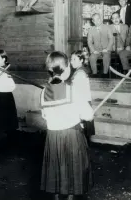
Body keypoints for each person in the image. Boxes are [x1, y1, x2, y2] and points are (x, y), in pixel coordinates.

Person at [40, 51, 93, 200]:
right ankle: (70, 197)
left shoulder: (43, 92)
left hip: (53, 137)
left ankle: (56, 197)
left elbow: (45, 116)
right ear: (67, 68)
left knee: (57, 169)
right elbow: (88, 115)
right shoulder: (72, 89)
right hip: (71, 136)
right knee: (73, 171)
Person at [70, 50, 95, 144]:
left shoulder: (80, 74)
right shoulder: (79, 71)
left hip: (81, 103)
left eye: (74, 59)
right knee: (83, 135)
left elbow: (77, 92)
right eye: (71, 59)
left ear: (81, 60)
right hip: (83, 102)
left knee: (82, 133)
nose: (71, 61)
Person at [87, 13, 114, 78]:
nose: (96, 21)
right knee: (92, 58)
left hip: (106, 49)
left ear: (101, 19)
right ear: (92, 21)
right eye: (94, 20)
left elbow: (111, 39)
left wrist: (107, 49)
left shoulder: (107, 27)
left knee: (106, 57)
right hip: (96, 50)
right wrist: (93, 51)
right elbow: (89, 42)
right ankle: (95, 74)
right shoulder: (91, 29)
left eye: (98, 19)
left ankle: (105, 74)